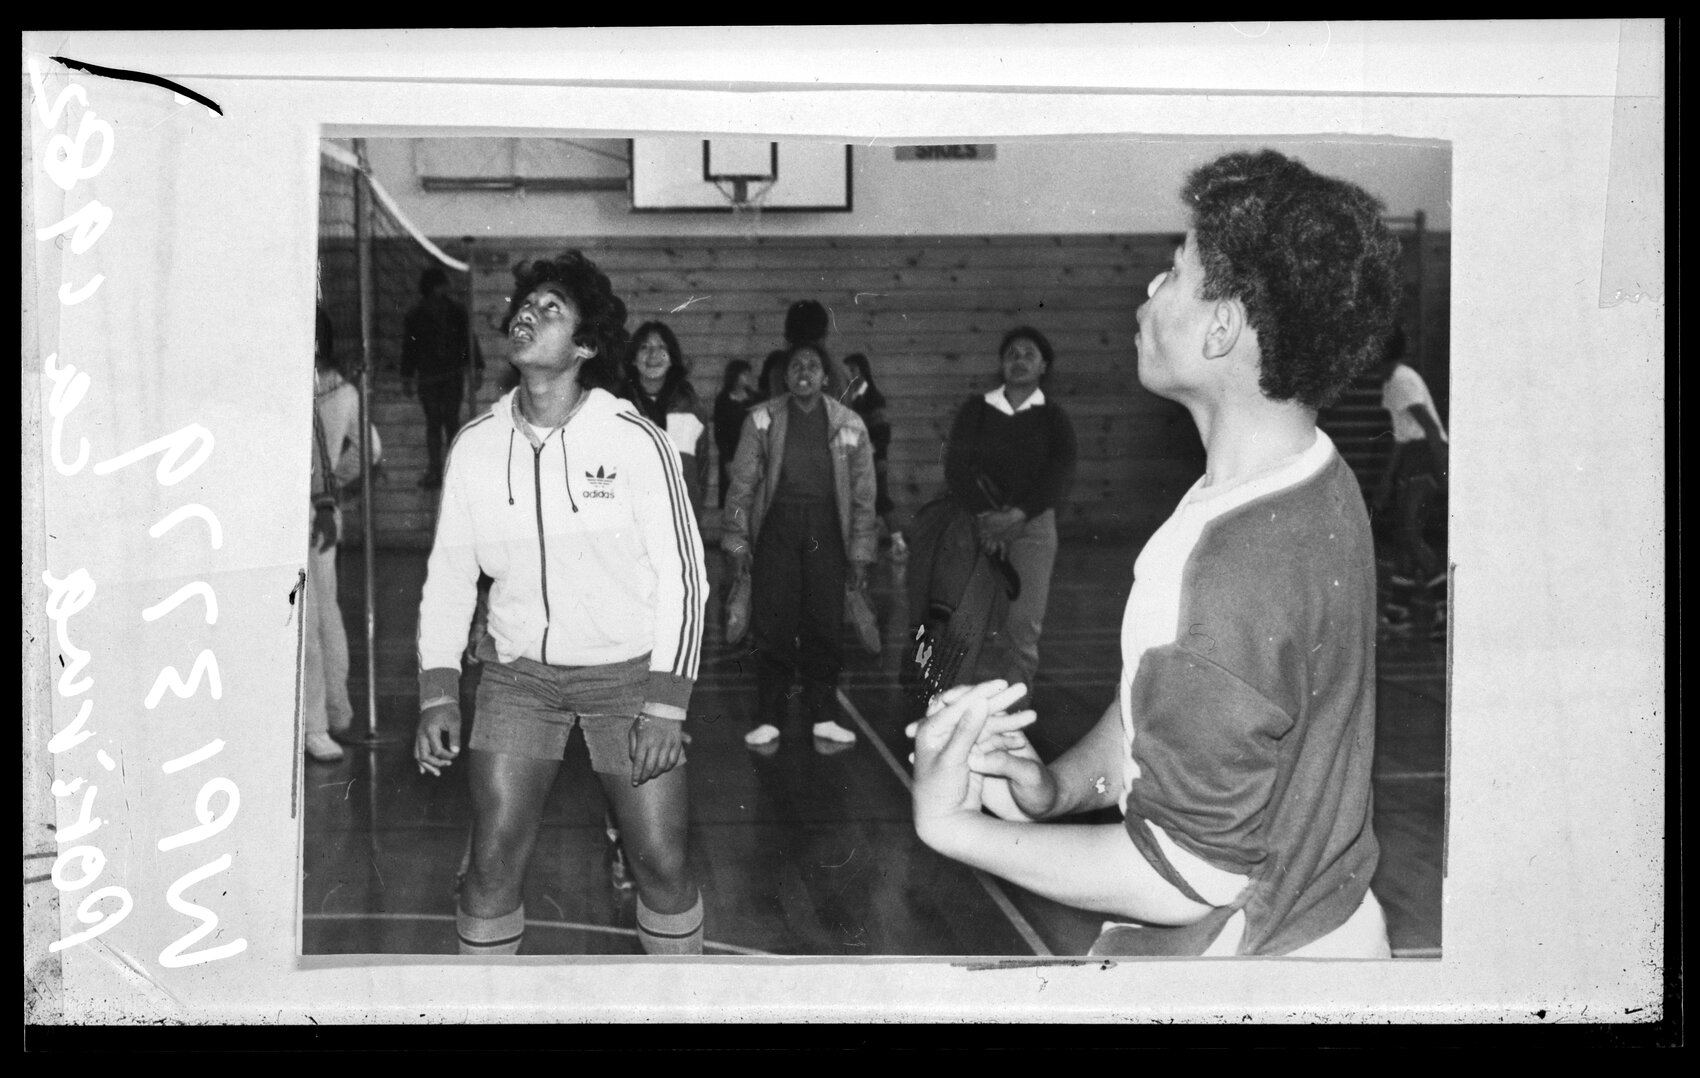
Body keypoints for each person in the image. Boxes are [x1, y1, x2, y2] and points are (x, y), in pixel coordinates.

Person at [910, 149, 1402, 958]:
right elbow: (1166, 705)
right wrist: (1054, 790)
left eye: (1174, 270)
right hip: (1333, 927)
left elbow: (1188, 874)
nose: (1150, 285)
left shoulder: (1224, 570)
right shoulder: (1312, 474)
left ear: (1221, 328)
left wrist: (957, 829)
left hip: (1261, 964)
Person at [412, 250, 709, 956]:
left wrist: (666, 704)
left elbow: (686, 577)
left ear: (585, 346)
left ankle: (687, 1002)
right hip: (519, 678)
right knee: (489, 867)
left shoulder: (636, 440)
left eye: (552, 309)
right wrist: (437, 691)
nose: (528, 313)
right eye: (526, 304)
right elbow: (450, 575)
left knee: (662, 867)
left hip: (627, 679)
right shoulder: (476, 445)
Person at [723, 342, 877, 748]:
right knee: (773, 624)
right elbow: (741, 486)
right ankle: (770, 717)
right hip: (777, 530)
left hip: (827, 532)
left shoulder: (850, 423)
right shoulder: (761, 419)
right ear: (785, 375)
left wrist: (860, 553)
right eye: (796, 366)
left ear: (825, 376)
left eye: (812, 366)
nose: (804, 372)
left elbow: (864, 496)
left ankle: (823, 716)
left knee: (824, 625)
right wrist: (737, 542)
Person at [941, 327, 1077, 703]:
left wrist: (1017, 514)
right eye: (1012, 354)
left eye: (1029, 354)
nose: (1019, 361)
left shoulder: (1054, 417)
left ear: (1043, 365)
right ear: (1001, 364)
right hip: (977, 526)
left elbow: (1059, 475)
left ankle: (1015, 716)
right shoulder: (976, 410)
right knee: (964, 623)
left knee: (1022, 625)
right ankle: (949, 710)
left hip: (1033, 529)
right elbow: (956, 467)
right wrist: (987, 516)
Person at [306, 307, 383, 763]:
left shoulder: (300, 387)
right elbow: (371, 450)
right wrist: (336, 479)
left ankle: (316, 725)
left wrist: (325, 487)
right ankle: (335, 713)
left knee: (310, 620)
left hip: (309, 512)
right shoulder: (345, 389)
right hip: (321, 508)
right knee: (324, 614)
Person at [1371, 327, 1449, 637]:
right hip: (1412, 458)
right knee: (1405, 537)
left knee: (1410, 534)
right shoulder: (1392, 383)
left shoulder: (1403, 379)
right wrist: (1387, 481)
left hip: (1425, 456)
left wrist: (1443, 472)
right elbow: (1401, 438)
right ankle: (1397, 613)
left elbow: (1431, 428)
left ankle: (1446, 609)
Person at [402, 265, 484, 490]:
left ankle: (454, 471)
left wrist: (477, 367)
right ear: (434, 287)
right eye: (442, 284)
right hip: (429, 376)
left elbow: (469, 340)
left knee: (450, 421)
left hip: (450, 375)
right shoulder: (415, 315)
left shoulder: (457, 312)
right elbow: (409, 348)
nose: (447, 288)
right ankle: (435, 471)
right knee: (434, 423)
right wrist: (407, 376)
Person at [622, 320, 710, 516]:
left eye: (661, 347)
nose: (653, 354)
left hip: (679, 519)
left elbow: (701, 471)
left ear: (672, 358)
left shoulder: (692, 408)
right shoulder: (619, 408)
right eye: (644, 347)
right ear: (633, 359)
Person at [842, 352, 905, 559]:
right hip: (857, 457)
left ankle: (899, 544)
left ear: (862, 371)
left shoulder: (873, 398)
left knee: (881, 499)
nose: (849, 374)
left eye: (852, 369)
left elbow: (883, 430)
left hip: (874, 456)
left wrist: (881, 457)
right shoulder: (849, 397)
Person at [713, 359, 760, 507]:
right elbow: (719, 432)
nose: (748, 377)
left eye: (749, 373)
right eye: (744, 374)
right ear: (735, 376)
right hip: (731, 454)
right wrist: (727, 460)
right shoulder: (723, 400)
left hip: (751, 454)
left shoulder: (755, 398)